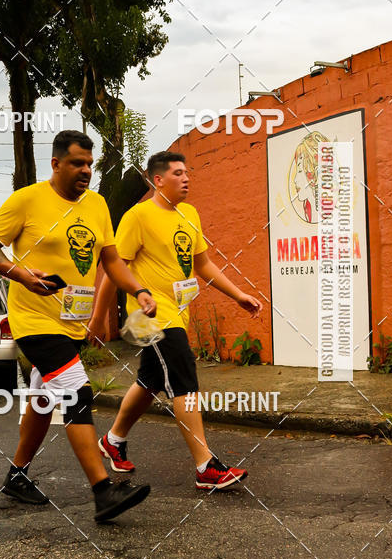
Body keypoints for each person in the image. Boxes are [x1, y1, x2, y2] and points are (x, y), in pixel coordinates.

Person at [0, 130, 157, 523]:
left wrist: (139, 290)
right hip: (34, 319)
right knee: (77, 392)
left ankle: (16, 476)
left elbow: (111, 261)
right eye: (77, 163)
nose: (86, 171)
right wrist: (19, 274)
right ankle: (103, 490)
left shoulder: (97, 205)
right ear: (56, 163)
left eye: (90, 164)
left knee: (43, 398)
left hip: (71, 322)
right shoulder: (27, 199)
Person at [88, 151, 263, 491]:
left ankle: (113, 440)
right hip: (148, 316)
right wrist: (98, 318)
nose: (187, 179)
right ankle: (205, 467)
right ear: (158, 180)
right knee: (184, 380)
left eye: (188, 173)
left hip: (176, 314)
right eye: (178, 173)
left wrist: (238, 294)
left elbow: (203, 264)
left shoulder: (189, 215)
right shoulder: (138, 216)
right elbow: (114, 268)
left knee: (151, 380)